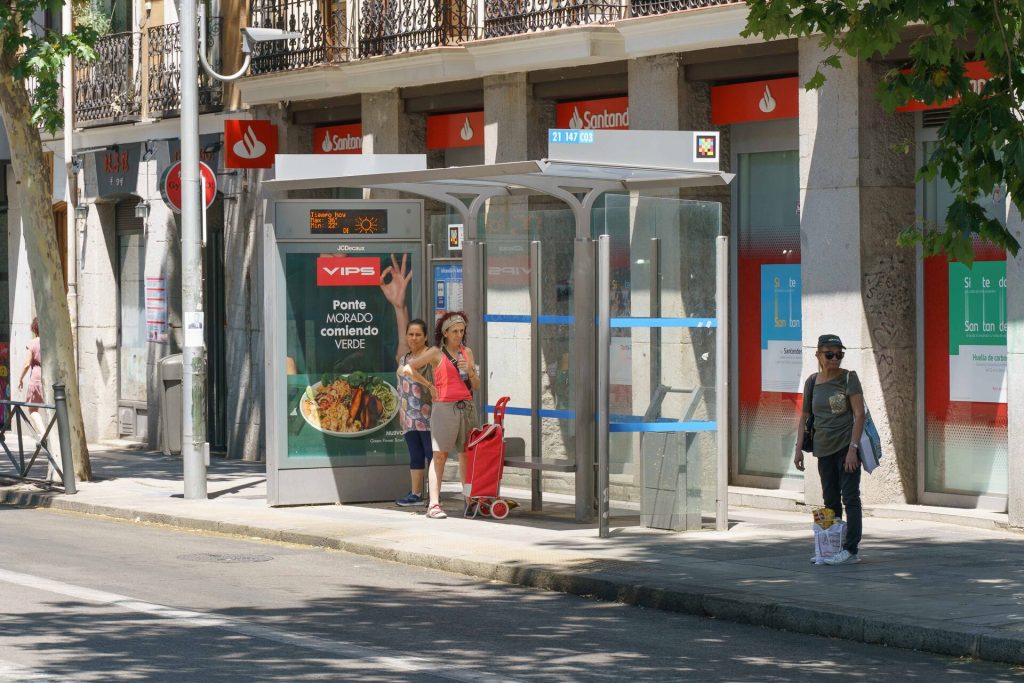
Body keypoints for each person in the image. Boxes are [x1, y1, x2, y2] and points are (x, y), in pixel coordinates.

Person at [398, 311, 480, 519]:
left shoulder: (467, 352)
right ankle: (434, 504)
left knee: (466, 455)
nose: (459, 335)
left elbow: (476, 386)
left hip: (467, 406)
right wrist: (429, 385)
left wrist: (469, 371)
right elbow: (407, 368)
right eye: (454, 331)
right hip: (444, 407)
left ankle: (469, 500)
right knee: (439, 455)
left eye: (461, 331)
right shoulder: (436, 353)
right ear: (445, 332)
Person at [795, 334, 866, 565]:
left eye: (839, 354)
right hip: (823, 448)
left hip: (846, 447)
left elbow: (859, 415)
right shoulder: (812, 382)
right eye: (830, 354)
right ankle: (831, 547)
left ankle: (851, 549)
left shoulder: (848, 379)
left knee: (850, 498)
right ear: (818, 355)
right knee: (830, 500)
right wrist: (797, 449)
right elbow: (805, 416)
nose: (835, 359)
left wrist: (853, 449)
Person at [394, 319, 435, 506]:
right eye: (411, 334)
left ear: (425, 336)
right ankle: (416, 493)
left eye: (418, 334)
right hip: (408, 416)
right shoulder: (404, 358)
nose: (414, 338)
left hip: (428, 415)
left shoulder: (430, 356)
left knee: (431, 454)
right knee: (415, 454)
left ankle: (435, 496)